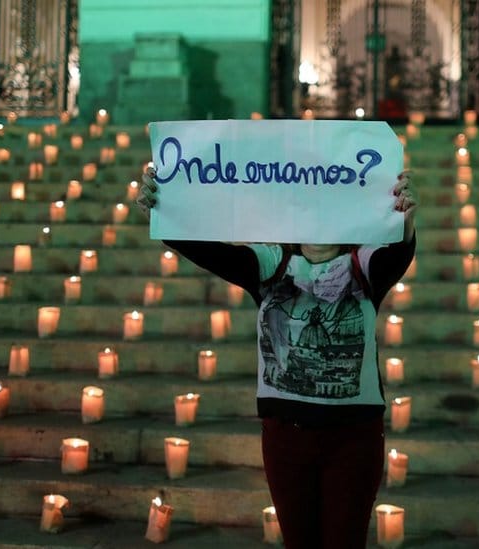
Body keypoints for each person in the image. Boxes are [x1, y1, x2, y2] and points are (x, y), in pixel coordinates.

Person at [138, 162, 417, 548]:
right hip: (286, 440)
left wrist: (404, 222)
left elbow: (399, 254)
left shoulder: (364, 265)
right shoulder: (272, 264)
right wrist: (163, 209)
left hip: (354, 440)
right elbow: (211, 252)